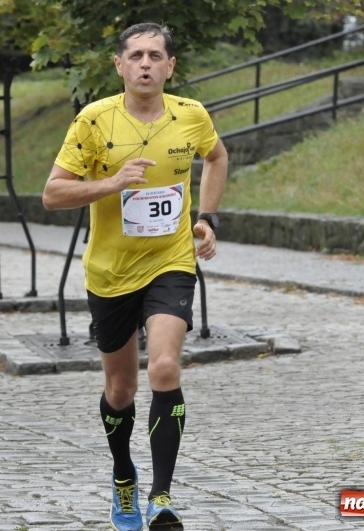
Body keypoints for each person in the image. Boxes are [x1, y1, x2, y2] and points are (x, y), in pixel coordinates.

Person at [43, 22, 228, 531]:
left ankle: (161, 498)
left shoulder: (190, 115)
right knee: (120, 388)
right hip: (109, 273)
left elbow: (216, 157)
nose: (146, 64)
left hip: (170, 261)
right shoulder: (93, 121)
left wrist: (207, 219)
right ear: (120, 66)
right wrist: (111, 183)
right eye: (136, 56)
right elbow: (53, 193)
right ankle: (123, 475)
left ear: (170, 67)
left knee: (165, 368)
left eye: (155, 56)